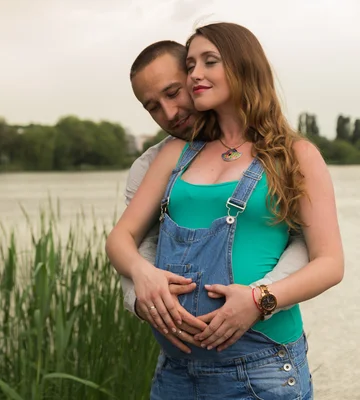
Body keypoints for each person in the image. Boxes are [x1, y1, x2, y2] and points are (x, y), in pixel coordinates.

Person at [106, 22, 344, 400]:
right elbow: (121, 237)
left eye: (208, 62)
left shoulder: (296, 155)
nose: (196, 74)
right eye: (191, 65)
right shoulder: (172, 154)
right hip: (176, 373)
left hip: (261, 368)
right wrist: (141, 275)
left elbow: (329, 262)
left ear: (242, 65)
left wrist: (258, 300)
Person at [121, 39, 309, 353]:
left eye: (172, 92)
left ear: (196, 79)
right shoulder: (151, 164)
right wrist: (144, 302)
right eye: (152, 106)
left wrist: (257, 299)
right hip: (178, 364)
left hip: (262, 348)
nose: (168, 113)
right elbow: (137, 245)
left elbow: (311, 243)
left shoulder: (282, 153)